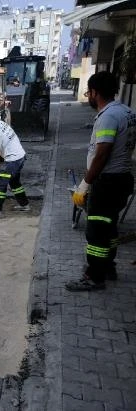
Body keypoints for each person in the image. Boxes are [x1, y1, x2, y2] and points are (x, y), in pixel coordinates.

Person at [65, 71, 136, 292]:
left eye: (89, 92)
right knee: (109, 228)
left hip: (107, 183)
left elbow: (103, 153)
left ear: (95, 93)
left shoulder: (108, 117)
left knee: (96, 231)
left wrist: (85, 184)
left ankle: (94, 276)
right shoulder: (127, 111)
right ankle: (108, 267)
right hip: (122, 179)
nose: (88, 96)